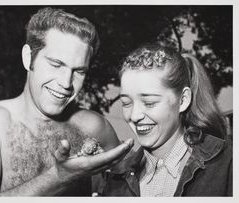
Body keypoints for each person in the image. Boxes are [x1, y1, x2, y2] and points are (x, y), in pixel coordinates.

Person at [0, 7, 134, 196]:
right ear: (28, 58)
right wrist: (59, 177)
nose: (66, 83)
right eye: (56, 64)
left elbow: (130, 187)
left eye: (79, 71)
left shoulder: (94, 127)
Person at [93, 44, 232, 196]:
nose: (134, 115)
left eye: (149, 103)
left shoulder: (229, 164)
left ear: (183, 100)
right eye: (126, 103)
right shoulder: (114, 181)